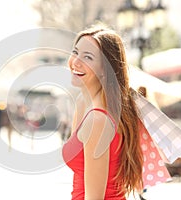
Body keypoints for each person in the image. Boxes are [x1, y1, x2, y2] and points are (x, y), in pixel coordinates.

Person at [62, 24, 144, 199]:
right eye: (75, 52)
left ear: (105, 70)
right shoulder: (83, 102)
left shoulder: (98, 120)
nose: (76, 62)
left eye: (88, 57)